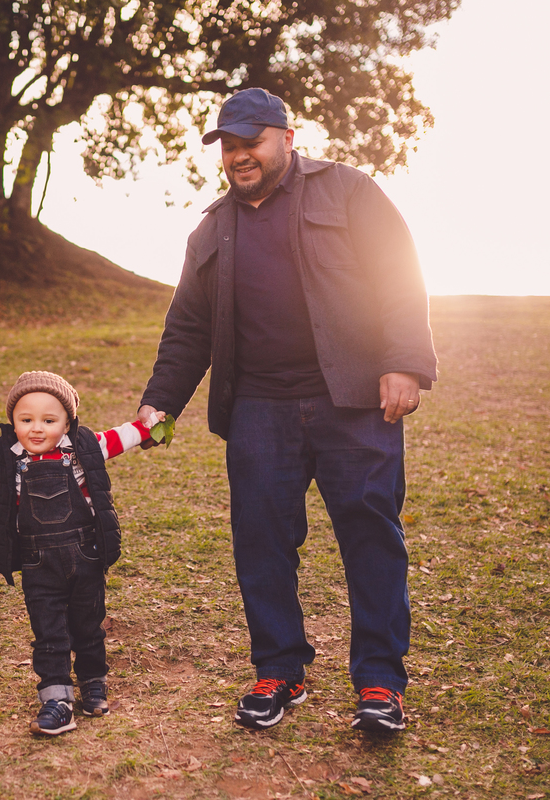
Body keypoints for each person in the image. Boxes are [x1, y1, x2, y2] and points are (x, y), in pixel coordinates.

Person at [137, 88, 438, 734]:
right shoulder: (212, 227)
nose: (240, 155)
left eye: (252, 141)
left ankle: (381, 683)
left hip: (354, 398)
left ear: (288, 138)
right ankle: (280, 669)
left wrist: (405, 362)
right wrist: (160, 404)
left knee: (370, 535)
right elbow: (188, 327)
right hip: (258, 409)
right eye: (229, 145)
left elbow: (399, 273)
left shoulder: (349, 192)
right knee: (262, 543)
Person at [0, 371, 161, 736]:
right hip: (38, 561)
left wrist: (150, 425)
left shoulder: (84, 447)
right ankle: (56, 698)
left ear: (67, 423)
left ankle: (94, 681)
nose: (37, 429)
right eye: (25, 420)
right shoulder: (4, 455)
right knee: (48, 631)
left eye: (49, 421)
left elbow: (124, 435)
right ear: (13, 422)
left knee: (88, 625)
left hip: (85, 554)